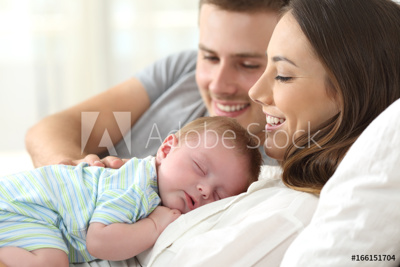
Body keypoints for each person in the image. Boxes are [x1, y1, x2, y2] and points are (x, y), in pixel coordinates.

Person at [133, 0, 399, 266]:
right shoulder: (275, 183)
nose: (256, 93)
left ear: (351, 94)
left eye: (283, 75)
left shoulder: (295, 214)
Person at [25, 0, 289, 169]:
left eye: (248, 65)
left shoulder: (283, 172)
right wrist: (75, 173)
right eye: (209, 57)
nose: (218, 85)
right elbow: (49, 130)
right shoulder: (183, 69)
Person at [0, 116, 262, 266]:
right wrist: (154, 227)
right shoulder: (136, 186)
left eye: (218, 195)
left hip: (34, 213)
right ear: (166, 149)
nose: (205, 189)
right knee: (50, 262)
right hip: (21, 207)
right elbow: (99, 241)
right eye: (199, 167)